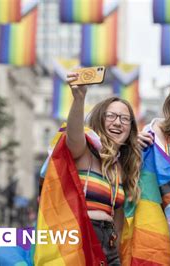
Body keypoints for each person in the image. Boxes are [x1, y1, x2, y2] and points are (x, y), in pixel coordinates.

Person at [66, 72, 142, 265]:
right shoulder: (86, 152)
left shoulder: (122, 169)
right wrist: (79, 99)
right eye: (112, 116)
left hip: (109, 249)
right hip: (79, 242)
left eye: (125, 119)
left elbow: (116, 223)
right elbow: (73, 135)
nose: (118, 122)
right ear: (100, 119)